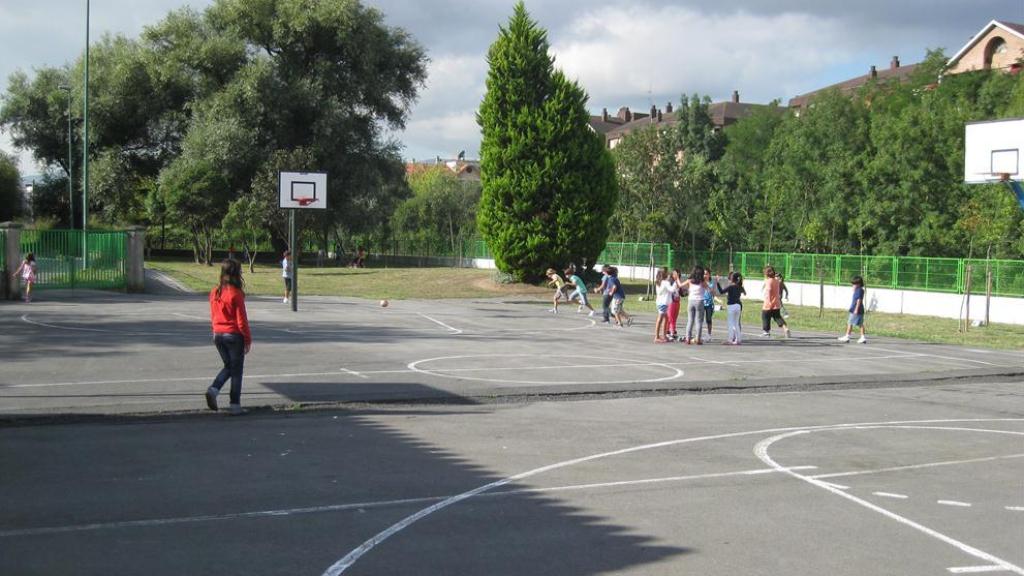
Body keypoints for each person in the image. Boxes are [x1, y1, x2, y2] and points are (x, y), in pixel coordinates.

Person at [205, 259, 252, 415]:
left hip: (218, 334)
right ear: (237, 273)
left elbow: (213, 315)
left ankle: (214, 389)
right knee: (236, 371)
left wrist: (215, 331)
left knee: (229, 367)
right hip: (233, 335)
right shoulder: (236, 293)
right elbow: (241, 320)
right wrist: (247, 339)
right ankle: (234, 404)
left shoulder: (215, 292)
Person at [678, 266, 707, 344]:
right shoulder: (702, 282)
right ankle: (698, 339)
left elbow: (680, 285)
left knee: (690, 320)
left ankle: (688, 338)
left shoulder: (690, 280)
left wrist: (677, 278)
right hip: (699, 301)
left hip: (691, 301)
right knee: (699, 321)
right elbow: (710, 290)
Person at [761, 266, 791, 338]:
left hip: (768, 303)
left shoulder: (768, 281)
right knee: (777, 317)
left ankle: (766, 332)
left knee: (765, 316)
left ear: (766, 274)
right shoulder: (777, 281)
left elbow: (769, 290)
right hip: (776, 303)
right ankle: (785, 328)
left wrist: (769, 302)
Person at [717, 272, 747, 345]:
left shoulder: (731, 286)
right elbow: (745, 293)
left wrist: (717, 282)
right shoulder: (739, 286)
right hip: (738, 305)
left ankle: (730, 340)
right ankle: (738, 340)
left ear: (732, 279)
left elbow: (721, 291)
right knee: (736, 323)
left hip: (731, 306)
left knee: (730, 323)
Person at [838, 276, 867, 344]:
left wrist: (856, 309)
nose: (853, 285)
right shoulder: (859, 290)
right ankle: (862, 337)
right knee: (860, 324)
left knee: (850, 323)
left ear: (859, 284)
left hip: (855, 309)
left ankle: (847, 336)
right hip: (859, 309)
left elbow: (859, 300)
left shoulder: (859, 290)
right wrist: (854, 290)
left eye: (854, 284)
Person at [654, 268, 673, 342]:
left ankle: (663, 336)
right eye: (667, 272)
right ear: (664, 274)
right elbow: (671, 289)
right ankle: (657, 337)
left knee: (665, 318)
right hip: (663, 303)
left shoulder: (659, 282)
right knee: (660, 319)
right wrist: (675, 282)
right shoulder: (665, 282)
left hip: (660, 302)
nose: (668, 273)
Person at [667, 269, 682, 341]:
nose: (677, 275)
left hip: (677, 302)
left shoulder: (678, 282)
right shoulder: (670, 282)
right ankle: (672, 332)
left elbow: (681, 292)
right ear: (672, 275)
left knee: (674, 318)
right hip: (671, 302)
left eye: (678, 274)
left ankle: (669, 331)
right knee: (671, 318)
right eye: (675, 274)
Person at [702, 268, 718, 340]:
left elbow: (714, 293)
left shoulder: (712, 283)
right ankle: (699, 334)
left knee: (708, 319)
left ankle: (709, 334)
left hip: (709, 304)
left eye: (706, 274)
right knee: (699, 319)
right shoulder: (701, 282)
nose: (705, 275)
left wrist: (716, 299)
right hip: (701, 303)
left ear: (709, 275)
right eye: (704, 274)